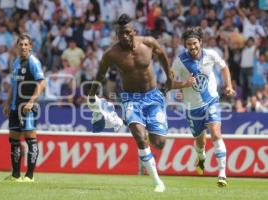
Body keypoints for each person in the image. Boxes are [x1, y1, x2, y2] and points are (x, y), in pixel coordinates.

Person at [88, 14, 173, 192]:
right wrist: (91, 95)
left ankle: (148, 140)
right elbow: (100, 75)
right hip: (130, 98)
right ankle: (158, 182)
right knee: (140, 137)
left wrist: (170, 80)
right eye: (120, 34)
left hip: (153, 97)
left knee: (159, 143)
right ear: (116, 34)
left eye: (127, 32)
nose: (124, 36)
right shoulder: (112, 54)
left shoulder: (148, 43)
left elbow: (163, 56)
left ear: (134, 31)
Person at [171, 27, 235, 187]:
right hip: (193, 107)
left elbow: (224, 67)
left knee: (215, 132)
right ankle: (201, 157)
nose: (192, 47)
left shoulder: (211, 54)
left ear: (200, 42)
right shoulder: (179, 61)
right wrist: (182, 85)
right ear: (185, 45)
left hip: (211, 101)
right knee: (200, 142)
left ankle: (222, 174)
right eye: (188, 45)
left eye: (194, 43)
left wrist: (228, 85)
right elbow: (169, 82)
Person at [3, 33, 46, 182]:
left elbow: (42, 83)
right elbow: (13, 85)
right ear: (17, 46)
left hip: (27, 107)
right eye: (21, 44)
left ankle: (29, 176)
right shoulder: (15, 62)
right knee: (14, 139)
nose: (23, 47)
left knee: (30, 139)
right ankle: (15, 175)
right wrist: (8, 103)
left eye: (26, 44)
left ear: (31, 46)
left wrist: (31, 101)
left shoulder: (33, 62)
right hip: (15, 107)